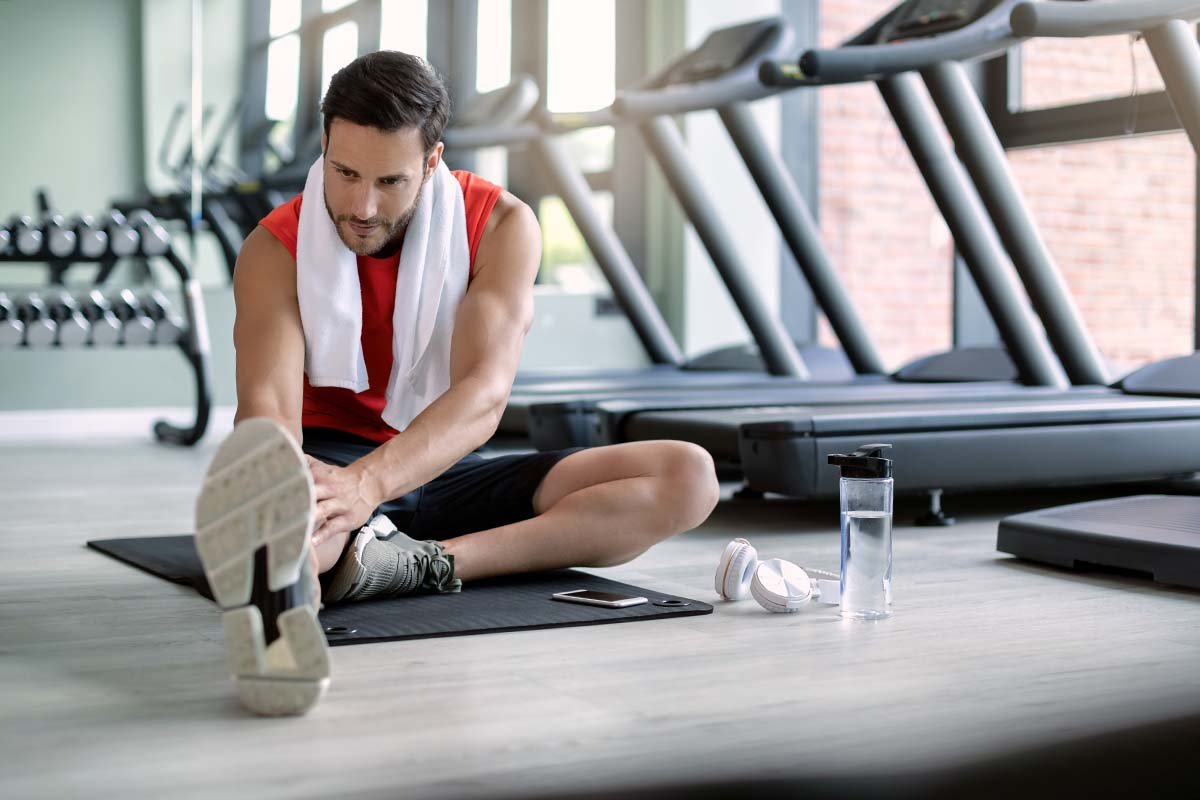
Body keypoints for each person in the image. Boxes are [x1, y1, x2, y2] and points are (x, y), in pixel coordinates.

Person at [194, 51, 720, 716]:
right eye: (345, 172)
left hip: (448, 459)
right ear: (324, 145)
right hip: (331, 459)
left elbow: (484, 397)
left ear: (432, 161)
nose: (361, 205)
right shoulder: (275, 247)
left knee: (688, 476)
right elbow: (269, 410)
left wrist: (373, 487)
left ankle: (421, 563)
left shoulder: (501, 224)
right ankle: (282, 603)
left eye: (390, 180)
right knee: (286, 520)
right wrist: (288, 487)